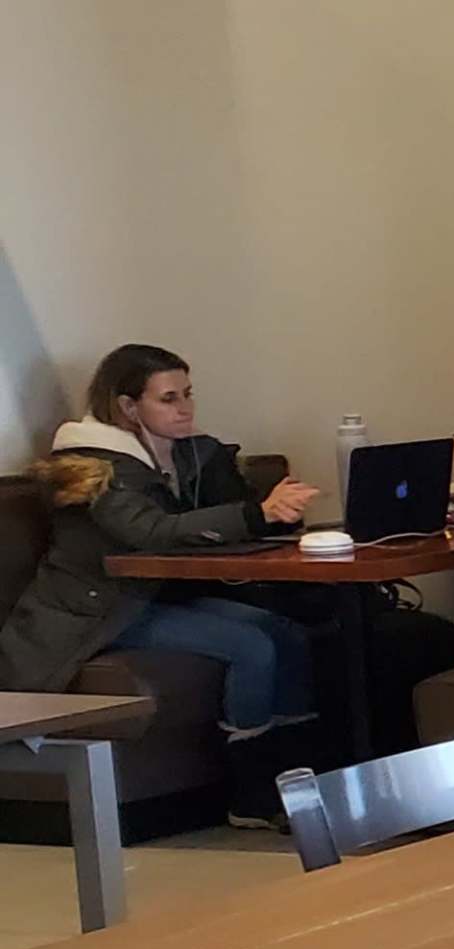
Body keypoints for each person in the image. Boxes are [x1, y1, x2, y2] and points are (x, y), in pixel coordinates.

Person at [0, 345, 323, 825]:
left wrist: (267, 512)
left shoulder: (183, 454)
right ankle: (250, 791)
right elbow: (149, 532)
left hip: (149, 596)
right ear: (128, 407)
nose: (185, 408)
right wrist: (257, 513)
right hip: (100, 609)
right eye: (169, 399)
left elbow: (219, 514)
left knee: (285, 632)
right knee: (251, 644)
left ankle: (300, 775)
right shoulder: (93, 466)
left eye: (188, 394)